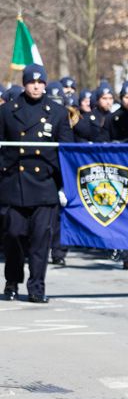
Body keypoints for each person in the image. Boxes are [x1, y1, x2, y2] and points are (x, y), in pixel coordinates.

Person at [0, 65, 74, 304]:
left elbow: (66, 152)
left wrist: (63, 185)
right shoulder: (8, 111)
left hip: (44, 186)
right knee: (13, 235)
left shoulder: (58, 112)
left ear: (45, 84)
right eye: (32, 82)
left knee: (40, 239)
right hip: (14, 184)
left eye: (40, 82)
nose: (36, 86)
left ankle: (37, 287)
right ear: (24, 83)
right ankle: (12, 280)